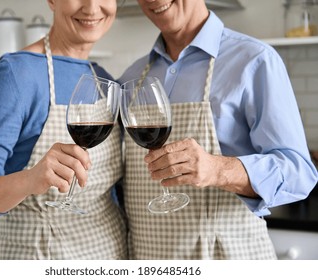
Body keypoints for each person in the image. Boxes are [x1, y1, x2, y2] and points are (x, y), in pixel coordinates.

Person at [119, 0, 318, 259]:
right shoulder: (132, 78)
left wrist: (218, 170)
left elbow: (299, 173)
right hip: (148, 259)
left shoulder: (254, 60)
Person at [0, 0, 127, 260]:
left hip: (109, 254)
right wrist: (30, 179)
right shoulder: (17, 74)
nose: (92, 8)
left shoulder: (106, 82)